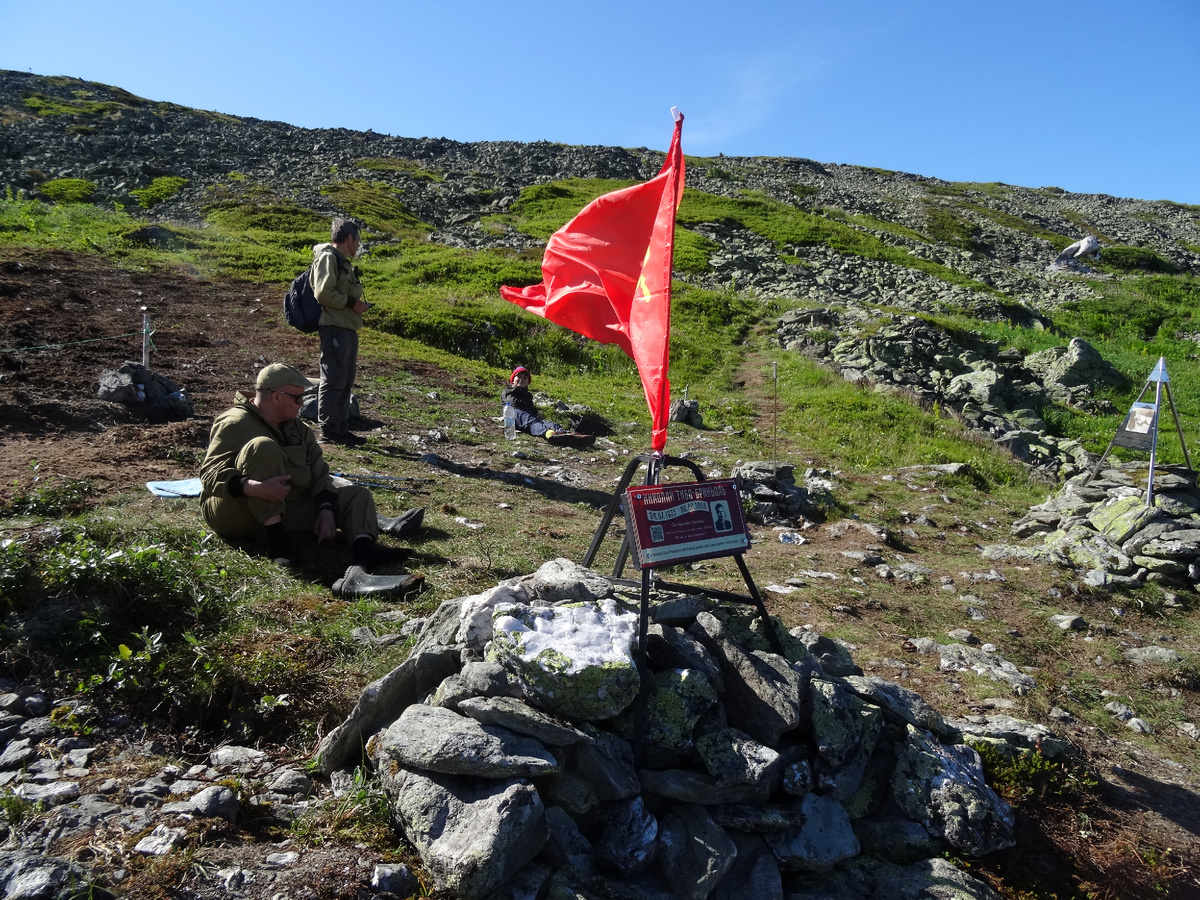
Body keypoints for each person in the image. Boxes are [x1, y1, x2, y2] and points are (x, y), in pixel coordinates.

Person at [199, 363, 425, 598]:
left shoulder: (298, 428)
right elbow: (208, 475)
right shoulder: (235, 422)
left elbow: (319, 471)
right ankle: (278, 543)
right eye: (298, 398)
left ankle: (363, 555)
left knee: (357, 495)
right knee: (263, 446)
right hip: (236, 512)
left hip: (286, 505)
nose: (302, 404)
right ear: (276, 397)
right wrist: (254, 488)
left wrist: (326, 509)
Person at [312, 218, 368, 446]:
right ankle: (328, 431)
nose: (358, 246)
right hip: (334, 328)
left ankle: (340, 428)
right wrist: (351, 304)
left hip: (346, 328)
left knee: (345, 380)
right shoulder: (328, 258)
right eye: (357, 241)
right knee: (333, 378)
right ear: (349, 238)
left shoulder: (341, 260)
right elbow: (323, 294)